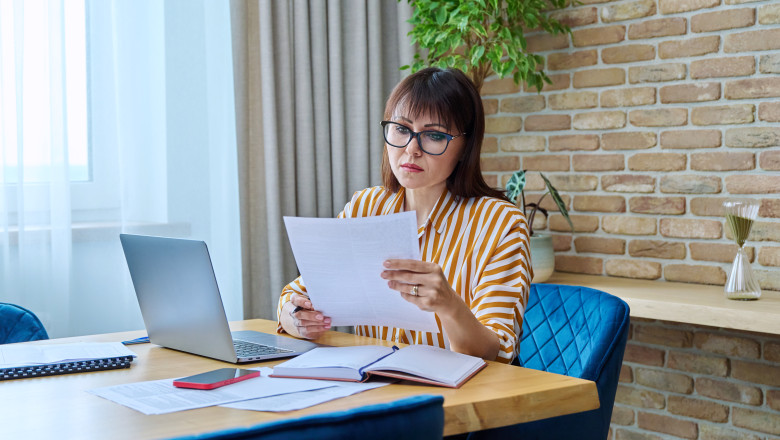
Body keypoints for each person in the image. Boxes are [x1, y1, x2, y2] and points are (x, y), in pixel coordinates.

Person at [277, 67, 532, 363]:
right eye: (401, 129)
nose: (412, 149)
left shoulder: (501, 224)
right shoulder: (365, 208)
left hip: (460, 388)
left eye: (434, 135)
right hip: (373, 382)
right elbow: (295, 296)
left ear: (466, 147)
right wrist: (297, 318)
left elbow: (496, 354)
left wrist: (450, 306)